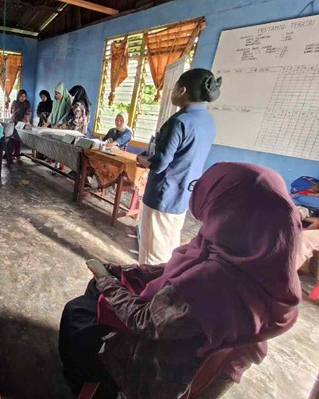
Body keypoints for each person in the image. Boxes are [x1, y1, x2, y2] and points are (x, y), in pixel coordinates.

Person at [59, 162, 301, 399]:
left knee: (77, 311)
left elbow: (144, 321)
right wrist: (131, 270)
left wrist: (106, 281)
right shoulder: (263, 263)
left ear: (229, 204)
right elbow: (177, 267)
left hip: (156, 366)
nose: (199, 193)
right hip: (183, 340)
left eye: (207, 188)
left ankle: (86, 380)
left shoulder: (212, 281)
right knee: (104, 289)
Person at [136, 69, 221, 264]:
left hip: (162, 195)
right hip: (183, 195)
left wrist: (142, 160)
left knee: (151, 255)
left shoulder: (179, 122)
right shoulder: (208, 120)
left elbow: (160, 164)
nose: (172, 92)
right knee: (168, 245)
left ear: (182, 90)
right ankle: (167, 278)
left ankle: (150, 283)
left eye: (174, 88)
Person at [9, 89, 31, 164]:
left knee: (18, 140)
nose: (23, 98)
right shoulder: (14, 103)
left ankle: (17, 155)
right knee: (12, 139)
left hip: (22, 124)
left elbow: (27, 114)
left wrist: (25, 122)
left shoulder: (27, 103)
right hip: (13, 123)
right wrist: (16, 121)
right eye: (21, 96)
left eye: (24, 96)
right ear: (18, 96)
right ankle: (10, 154)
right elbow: (12, 113)